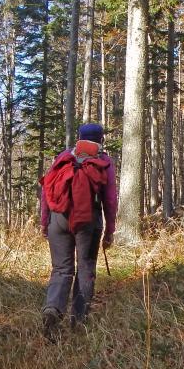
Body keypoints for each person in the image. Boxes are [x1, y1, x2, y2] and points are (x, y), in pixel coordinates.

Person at [39, 122, 117, 339]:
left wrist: (45, 222)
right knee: (85, 268)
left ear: (79, 138)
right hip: (87, 220)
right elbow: (110, 200)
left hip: (58, 218)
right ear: (101, 140)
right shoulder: (104, 161)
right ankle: (78, 322)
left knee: (61, 269)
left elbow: (46, 191)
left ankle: (53, 309)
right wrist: (110, 230)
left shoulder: (64, 157)